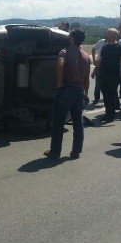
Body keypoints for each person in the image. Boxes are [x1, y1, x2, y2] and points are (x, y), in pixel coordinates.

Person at [44, 29, 91, 159]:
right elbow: (87, 77)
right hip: (79, 90)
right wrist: (85, 92)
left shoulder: (65, 52)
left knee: (59, 121)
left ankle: (55, 151)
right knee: (78, 122)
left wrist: (59, 82)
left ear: (71, 39)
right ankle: (76, 151)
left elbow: (60, 65)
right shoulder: (86, 56)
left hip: (66, 90)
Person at [96, 29, 121, 123]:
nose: (107, 35)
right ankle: (108, 113)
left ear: (114, 36)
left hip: (114, 75)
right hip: (103, 74)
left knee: (111, 94)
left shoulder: (120, 48)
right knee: (105, 95)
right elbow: (100, 60)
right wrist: (95, 71)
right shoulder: (105, 47)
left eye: (108, 34)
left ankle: (111, 115)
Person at [91, 37, 106, 105]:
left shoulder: (115, 43)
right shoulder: (101, 41)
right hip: (99, 64)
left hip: (108, 65)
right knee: (98, 83)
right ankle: (96, 98)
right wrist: (94, 59)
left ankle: (107, 99)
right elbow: (93, 49)